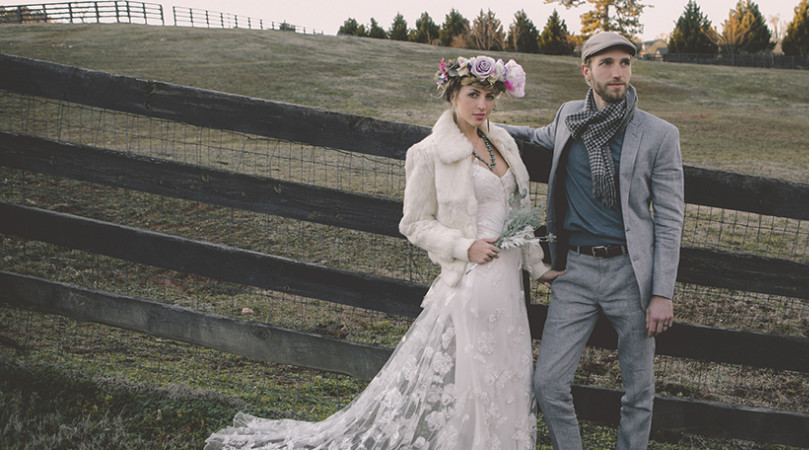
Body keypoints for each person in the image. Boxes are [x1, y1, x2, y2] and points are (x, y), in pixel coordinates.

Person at [205, 55, 561, 449]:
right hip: (473, 281)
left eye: (490, 97)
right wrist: (464, 246)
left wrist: (538, 267)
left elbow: (516, 213)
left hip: (509, 282)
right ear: (452, 94)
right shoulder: (426, 153)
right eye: (473, 94)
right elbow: (413, 223)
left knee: (509, 371)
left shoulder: (502, 142)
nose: (482, 105)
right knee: (478, 377)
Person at [500, 31, 684, 449]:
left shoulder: (659, 134)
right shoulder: (569, 116)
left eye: (625, 63)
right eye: (607, 64)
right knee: (548, 382)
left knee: (639, 390)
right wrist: (478, 124)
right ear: (587, 71)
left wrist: (662, 292)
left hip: (631, 277)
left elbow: (671, 220)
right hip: (574, 273)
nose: (618, 73)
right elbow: (533, 137)